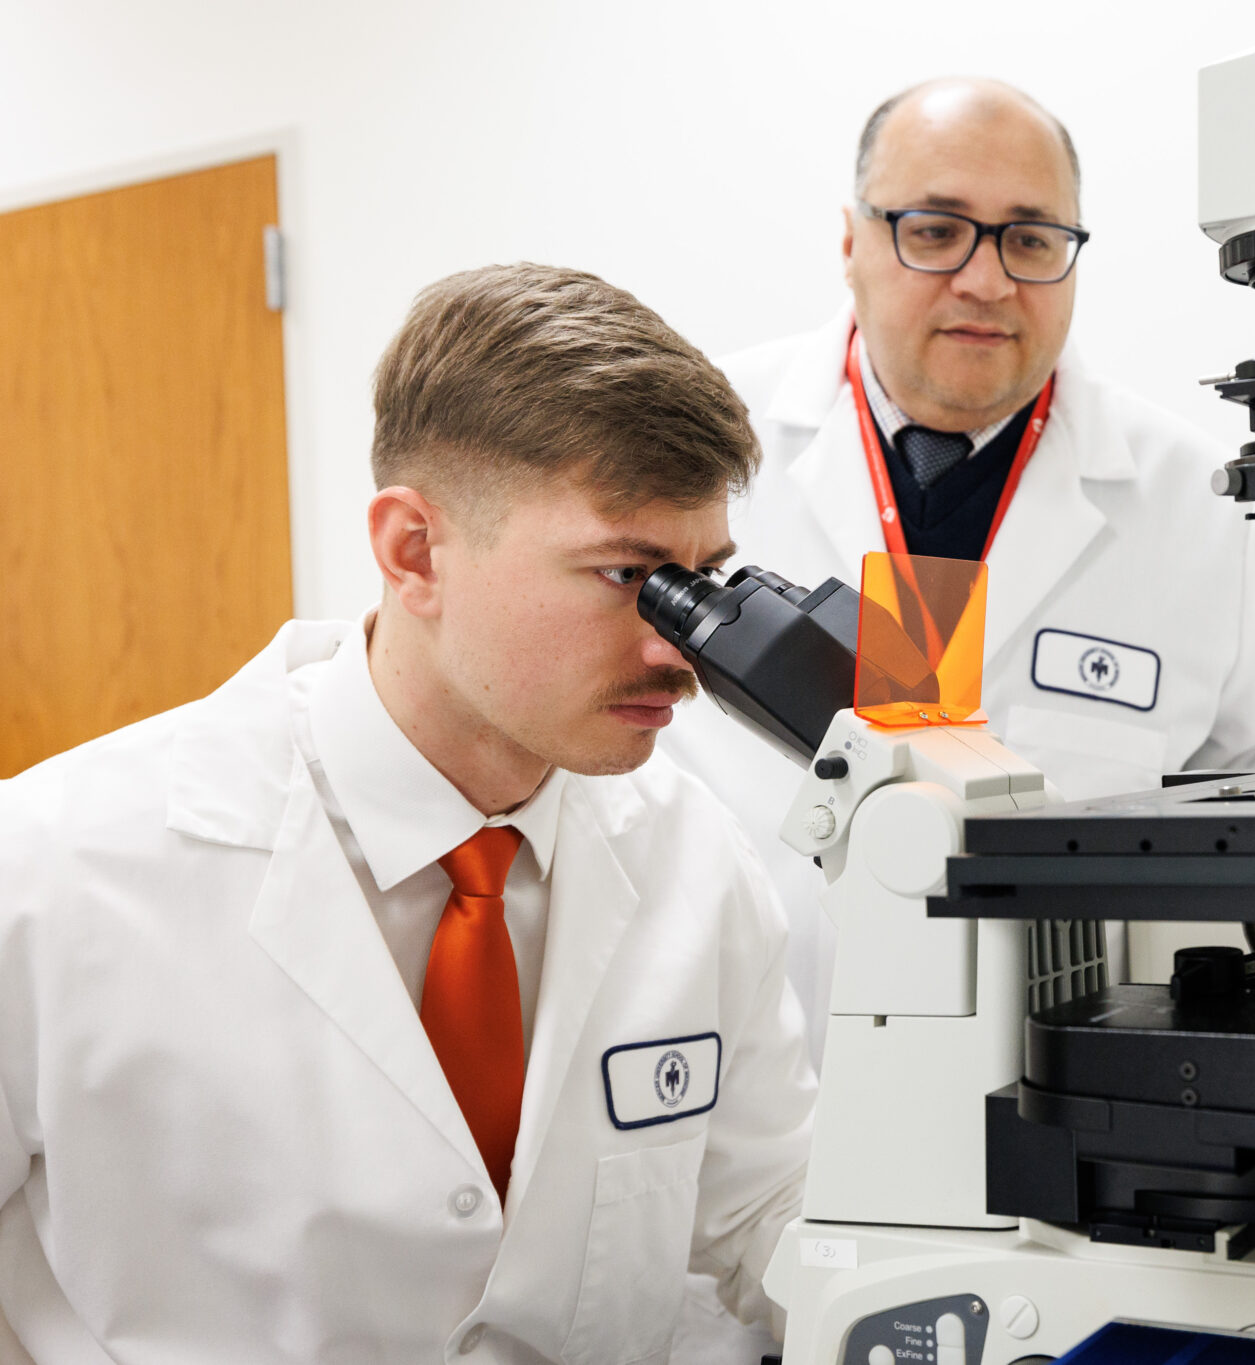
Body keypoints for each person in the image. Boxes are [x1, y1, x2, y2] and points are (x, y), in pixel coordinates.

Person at [0, 265, 815, 1363]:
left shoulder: (693, 856)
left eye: (704, 579)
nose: (683, 649)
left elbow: (771, 1213)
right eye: (628, 575)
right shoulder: (51, 867)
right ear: (415, 551)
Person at [661, 76, 1255, 1066]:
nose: (984, 280)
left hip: (1057, 1074)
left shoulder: (1192, 495)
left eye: (1030, 238)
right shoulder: (694, 441)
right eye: (934, 229)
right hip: (736, 1059)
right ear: (851, 242)